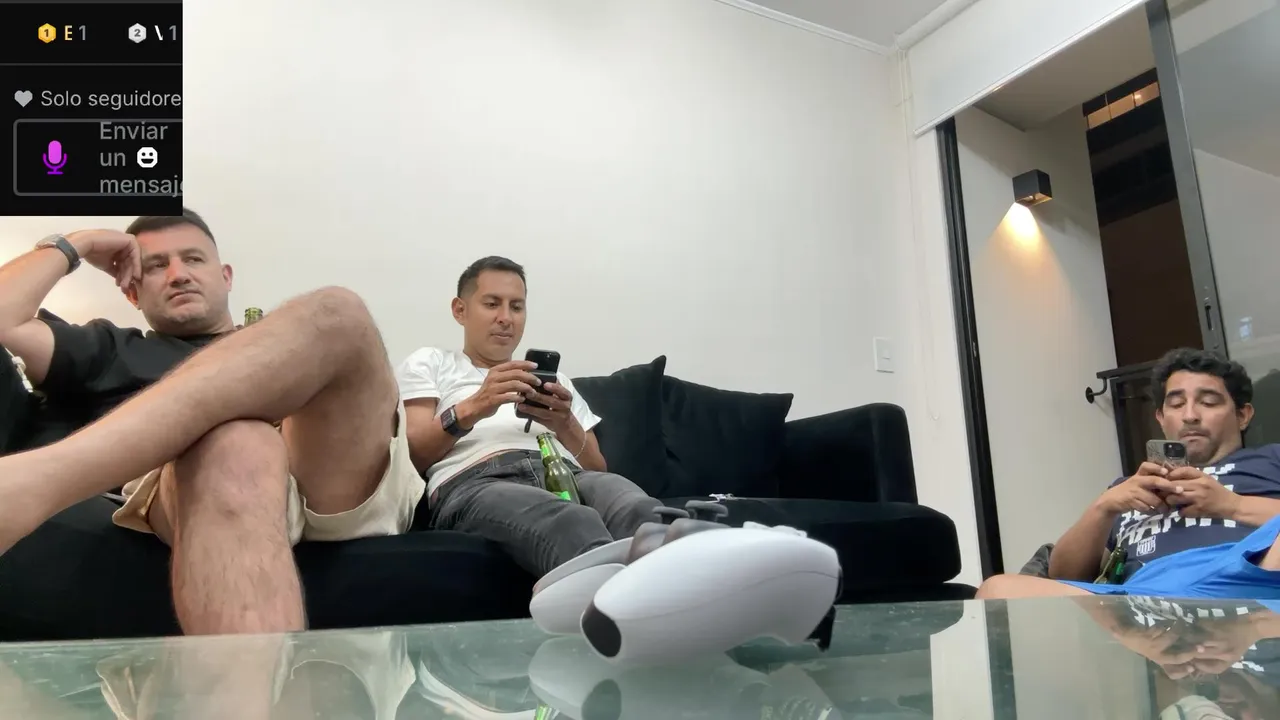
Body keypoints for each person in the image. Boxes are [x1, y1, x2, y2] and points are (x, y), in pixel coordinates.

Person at [0, 210, 425, 635]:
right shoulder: (109, 348)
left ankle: (45, 478)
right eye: (156, 266)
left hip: (329, 482)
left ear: (226, 277)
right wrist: (76, 243)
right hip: (197, 488)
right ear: (132, 293)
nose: (178, 274)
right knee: (237, 442)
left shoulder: (290, 339)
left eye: (193, 259)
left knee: (339, 312)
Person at [397, 256, 661, 578]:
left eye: (517, 307)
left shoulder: (555, 382)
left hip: (567, 474)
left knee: (641, 509)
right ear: (460, 310)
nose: (505, 318)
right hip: (480, 481)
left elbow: (597, 467)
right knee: (572, 521)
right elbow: (411, 457)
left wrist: (565, 423)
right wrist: (475, 405)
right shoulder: (431, 362)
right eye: (492, 304)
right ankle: (610, 603)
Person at [977, 348, 1280, 601]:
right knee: (998, 590)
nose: (1190, 415)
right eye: (1176, 404)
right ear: (1161, 418)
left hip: (1241, 582)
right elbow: (1063, 576)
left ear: (1243, 415)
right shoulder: (1128, 488)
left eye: (1208, 402)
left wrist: (1232, 505)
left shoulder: (1271, 460)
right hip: (1138, 601)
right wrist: (1104, 508)